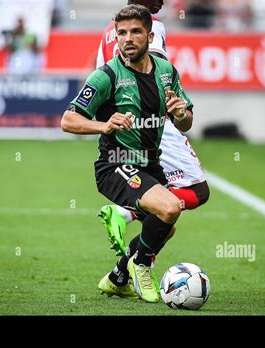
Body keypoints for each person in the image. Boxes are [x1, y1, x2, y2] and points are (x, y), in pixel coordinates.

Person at [61, 4, 195, 302]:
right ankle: (141, 265)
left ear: (151, 35)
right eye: (121, 33)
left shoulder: (166, 72)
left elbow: (186, 121)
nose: (127, 39)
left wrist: (181, 112)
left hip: (150, 165)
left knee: (163, 228)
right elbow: (68, 120)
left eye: (135, 32)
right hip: (115, 164)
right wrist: (104, 125)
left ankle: (118, 277)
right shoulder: (106, 76)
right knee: (170, 208)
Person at [96, 0, 209, 268]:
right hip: (152, 125)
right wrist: (175, 107)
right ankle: (125, 213)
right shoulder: (151, 27)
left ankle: (120, 275)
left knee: (163, 222)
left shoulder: (109, 32)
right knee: (196, 191)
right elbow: (151, 69)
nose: (162, 1)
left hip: (123, 131)